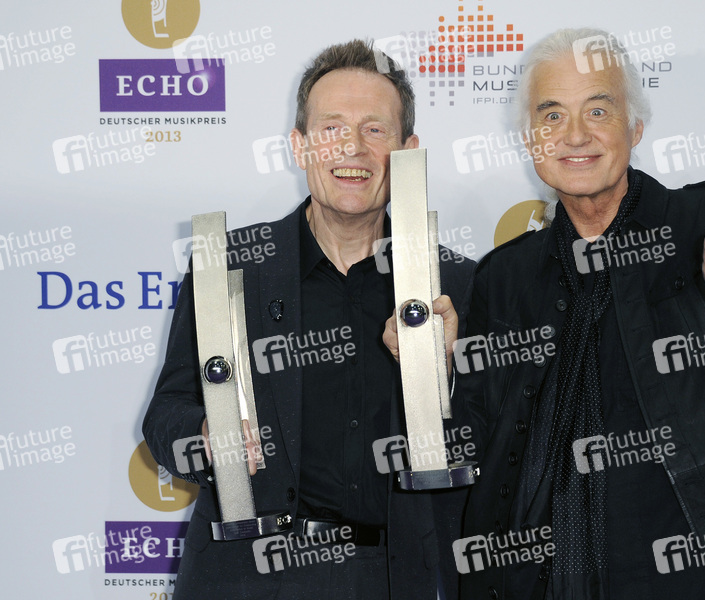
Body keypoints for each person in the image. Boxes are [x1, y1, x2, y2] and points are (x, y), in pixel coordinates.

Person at [387, 28, 705, 599]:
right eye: (551, 116)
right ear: (529, 139)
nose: (574, 135)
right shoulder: (503, 275)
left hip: (690, 572)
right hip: (536, 576)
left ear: (634, 127)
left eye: (597, 110)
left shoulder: (701, 222)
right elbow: (473, 437)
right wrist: (434, 372)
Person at [143, 39, 474, 600]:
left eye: (375, 129)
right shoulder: (231, 268)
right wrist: (206, 436)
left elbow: (492, 445)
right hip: (244, 576)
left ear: (408, 151)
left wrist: (448, 379)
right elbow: (165, 415)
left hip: (392, 578)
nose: (352, 147)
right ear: (299, 146)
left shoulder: (455, 286)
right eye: (331, 128)